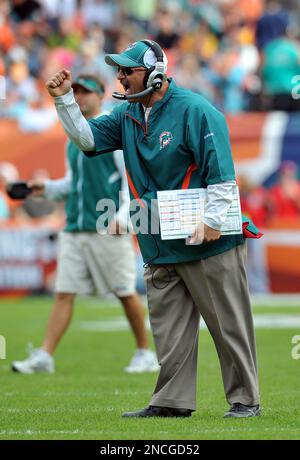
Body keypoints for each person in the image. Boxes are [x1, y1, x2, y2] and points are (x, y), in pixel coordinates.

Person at [44, 40, 261, 418]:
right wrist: (65, 100)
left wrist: (212, 220)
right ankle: (171, 401)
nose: (121, 77)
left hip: (205, 239)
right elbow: (87, 140)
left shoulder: (196, 110)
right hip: (157, 237)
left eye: (128, 70)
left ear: (155, 72)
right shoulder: (127, 114)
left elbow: (223, 174)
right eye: (120, 70)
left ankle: (245, 400)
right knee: (168, 328)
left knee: (227, 324)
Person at [12, 74, 159, 375]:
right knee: (64, 292)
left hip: (106, 226)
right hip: (76, 226)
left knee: (124, 290)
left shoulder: (113, 132)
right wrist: (48, 188)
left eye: (86, 92)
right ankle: (44, 356)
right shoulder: (74, 137)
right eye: (76, 91)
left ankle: (145, 352)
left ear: (101, 95)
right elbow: (73, 182)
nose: (79, 96)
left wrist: (122, 218)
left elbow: (130, 180)